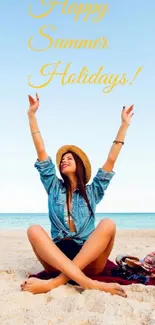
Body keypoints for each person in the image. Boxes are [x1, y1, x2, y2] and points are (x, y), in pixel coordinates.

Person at [21, 93, 134, 297]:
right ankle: (89, 284)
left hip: (88, 260)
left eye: (69, 158)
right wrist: (32, 115)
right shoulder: (53, 187)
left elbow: (111, 159)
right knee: (33, 230)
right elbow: (41, 150)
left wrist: (124, 124)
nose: (64, 160)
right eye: (62, 158)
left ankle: (55, 283)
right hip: (59, 259)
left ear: (79, 165)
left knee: (108, 223)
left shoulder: (94, 190)